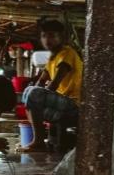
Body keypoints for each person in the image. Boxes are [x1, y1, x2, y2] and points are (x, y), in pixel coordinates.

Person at [20, 20, 83, 151]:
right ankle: (38, 140)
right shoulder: (52, 58)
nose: (47, 39)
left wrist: (36, 96)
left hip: (74, 105)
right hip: (62, 105)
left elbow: (54, 84)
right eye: (44, 36)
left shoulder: (67, 53)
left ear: (61, 37)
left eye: (52, 35)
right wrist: (31, 99)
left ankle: (38, 141)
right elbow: (41, 82)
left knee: (34, 93)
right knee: (28, 92)